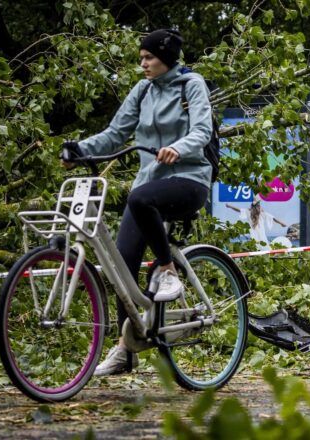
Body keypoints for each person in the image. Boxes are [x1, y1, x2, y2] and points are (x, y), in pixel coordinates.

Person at [61, 29, 213, 376]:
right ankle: (125, 349)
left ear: (167, 58)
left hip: (189, 179)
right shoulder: (142, 90)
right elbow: (115, 134)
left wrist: (180, 147)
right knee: (120, 262)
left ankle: (167, 269)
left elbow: (202, 131)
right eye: (141, 58)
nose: (142, 64)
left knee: (139, 197)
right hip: (149, 185)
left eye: (148, 58)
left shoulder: (192, 85)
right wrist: (79, 149)